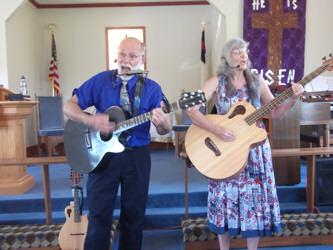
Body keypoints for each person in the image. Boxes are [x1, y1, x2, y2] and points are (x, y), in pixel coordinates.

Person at [185, 38, 304, 250]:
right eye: (236, 51)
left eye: (244, 51)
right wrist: (217, 129)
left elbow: (275, 114)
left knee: (255, 201)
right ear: (224, 59)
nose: (243, 55)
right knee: (224, 197)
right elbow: (190, 109)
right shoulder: (216, 81)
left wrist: (292, 100)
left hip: (255, 150)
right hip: (224, 148)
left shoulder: (257, 80)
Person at [63, 37, 172, 250]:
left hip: (137, 156)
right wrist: (90, 119)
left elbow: (164, 129)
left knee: (134, 215)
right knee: (98, 214)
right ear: (116, 54)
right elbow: (69, 106)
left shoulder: (151, 88)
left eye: (132, 56)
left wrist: (165, 125)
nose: (126, 60)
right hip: (102, 156)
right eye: (122, 54)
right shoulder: (101, 80)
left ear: (142, 59)